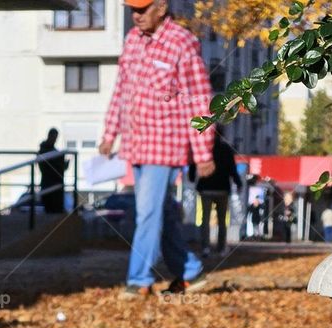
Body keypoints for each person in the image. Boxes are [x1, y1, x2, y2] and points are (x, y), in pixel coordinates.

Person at [98, 0, 215, 295]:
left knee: (147, 214)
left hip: (165, 145)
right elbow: (121, 89)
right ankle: (191, 271)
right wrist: (109, 133)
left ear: (161, 8)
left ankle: (138, 281)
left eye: (142, 9)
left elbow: (199, 99)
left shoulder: (183, 43)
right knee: (160, 213)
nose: (135, 16)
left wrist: (203, 152)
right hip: (135, 144)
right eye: (132, 11)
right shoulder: (132, 40)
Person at [188, 125, 241, 255]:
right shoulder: (227, 149)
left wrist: (191, 176)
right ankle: (221, 248)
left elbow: (194, 164)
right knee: (222, 220)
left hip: (205, 188)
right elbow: (232, 169)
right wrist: (238, 182)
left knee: (204, 220)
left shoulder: (203, 148)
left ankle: (205, 247)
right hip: (222, 188)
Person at [37, 127, 68, 214]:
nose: (54, 140)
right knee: (50, 210)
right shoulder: (44, 151)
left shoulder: (54, 151)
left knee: (56, 210)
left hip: (56, 184)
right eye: (54, 137)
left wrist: (64, 164)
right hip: (48, 183)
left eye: (56, 137)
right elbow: (45, 167)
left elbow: (60, 167)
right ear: (49, 136)